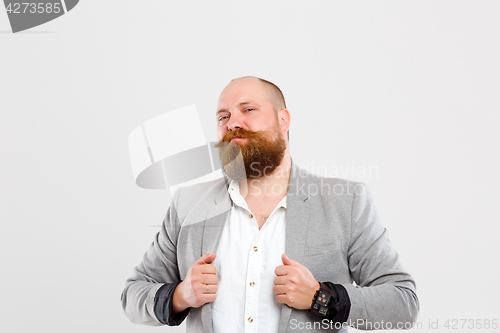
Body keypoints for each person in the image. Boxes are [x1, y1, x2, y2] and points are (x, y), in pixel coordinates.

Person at [121, 77, 419, 332]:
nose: (233, 123)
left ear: (283, 119)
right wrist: (179, 296)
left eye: (248, 109)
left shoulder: (345, 202)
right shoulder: (188, 204)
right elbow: (133, 293)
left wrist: (320, 298)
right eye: (223, 117)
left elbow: (403, 303)